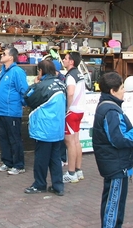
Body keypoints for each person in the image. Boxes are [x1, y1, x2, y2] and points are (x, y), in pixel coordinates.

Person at [92, 72, 133, 228]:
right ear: (112, 91)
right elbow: (119, 139)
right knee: (113, 206)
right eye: (122, 87)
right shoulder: (111, 111)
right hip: (116, 165)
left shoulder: (109, 107)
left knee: (113, 203)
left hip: (114, 163)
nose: (124, 90)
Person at [23, 60, 67, 195]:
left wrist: (34, 84)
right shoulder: (61, 84)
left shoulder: (41, 86)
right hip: (58, 128)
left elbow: (27, 98)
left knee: (41, 158)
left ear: (41, 71)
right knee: (55, 158)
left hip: (44, 128)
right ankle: (58, 186)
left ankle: (40, 184)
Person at [0, 47, 29, 175]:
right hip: (2, 111)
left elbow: (24, 90)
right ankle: (7, 162)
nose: (1, 55)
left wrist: (24, 103)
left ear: (11, 57)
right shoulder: (3, 71)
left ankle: (19, 165)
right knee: (4, 138)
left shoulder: (17, 72)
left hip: (12, 112)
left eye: (4, 53)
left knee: (14, 138)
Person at [62, 51, 85, 183]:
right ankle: (78, 170)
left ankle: (71, 173)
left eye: (65, 59)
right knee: (76, 140)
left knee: (69, 142)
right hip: (80, 110)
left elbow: (70, 93)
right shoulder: (79, 74)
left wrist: (67, 108)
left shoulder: (70, 76)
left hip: (72, 111)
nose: (64, 61)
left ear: (71, 61)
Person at [53, 59, 68, 167]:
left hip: (61, 110)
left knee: (61, 135)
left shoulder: (62, 80)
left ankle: (62, 158)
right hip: (55, 111)